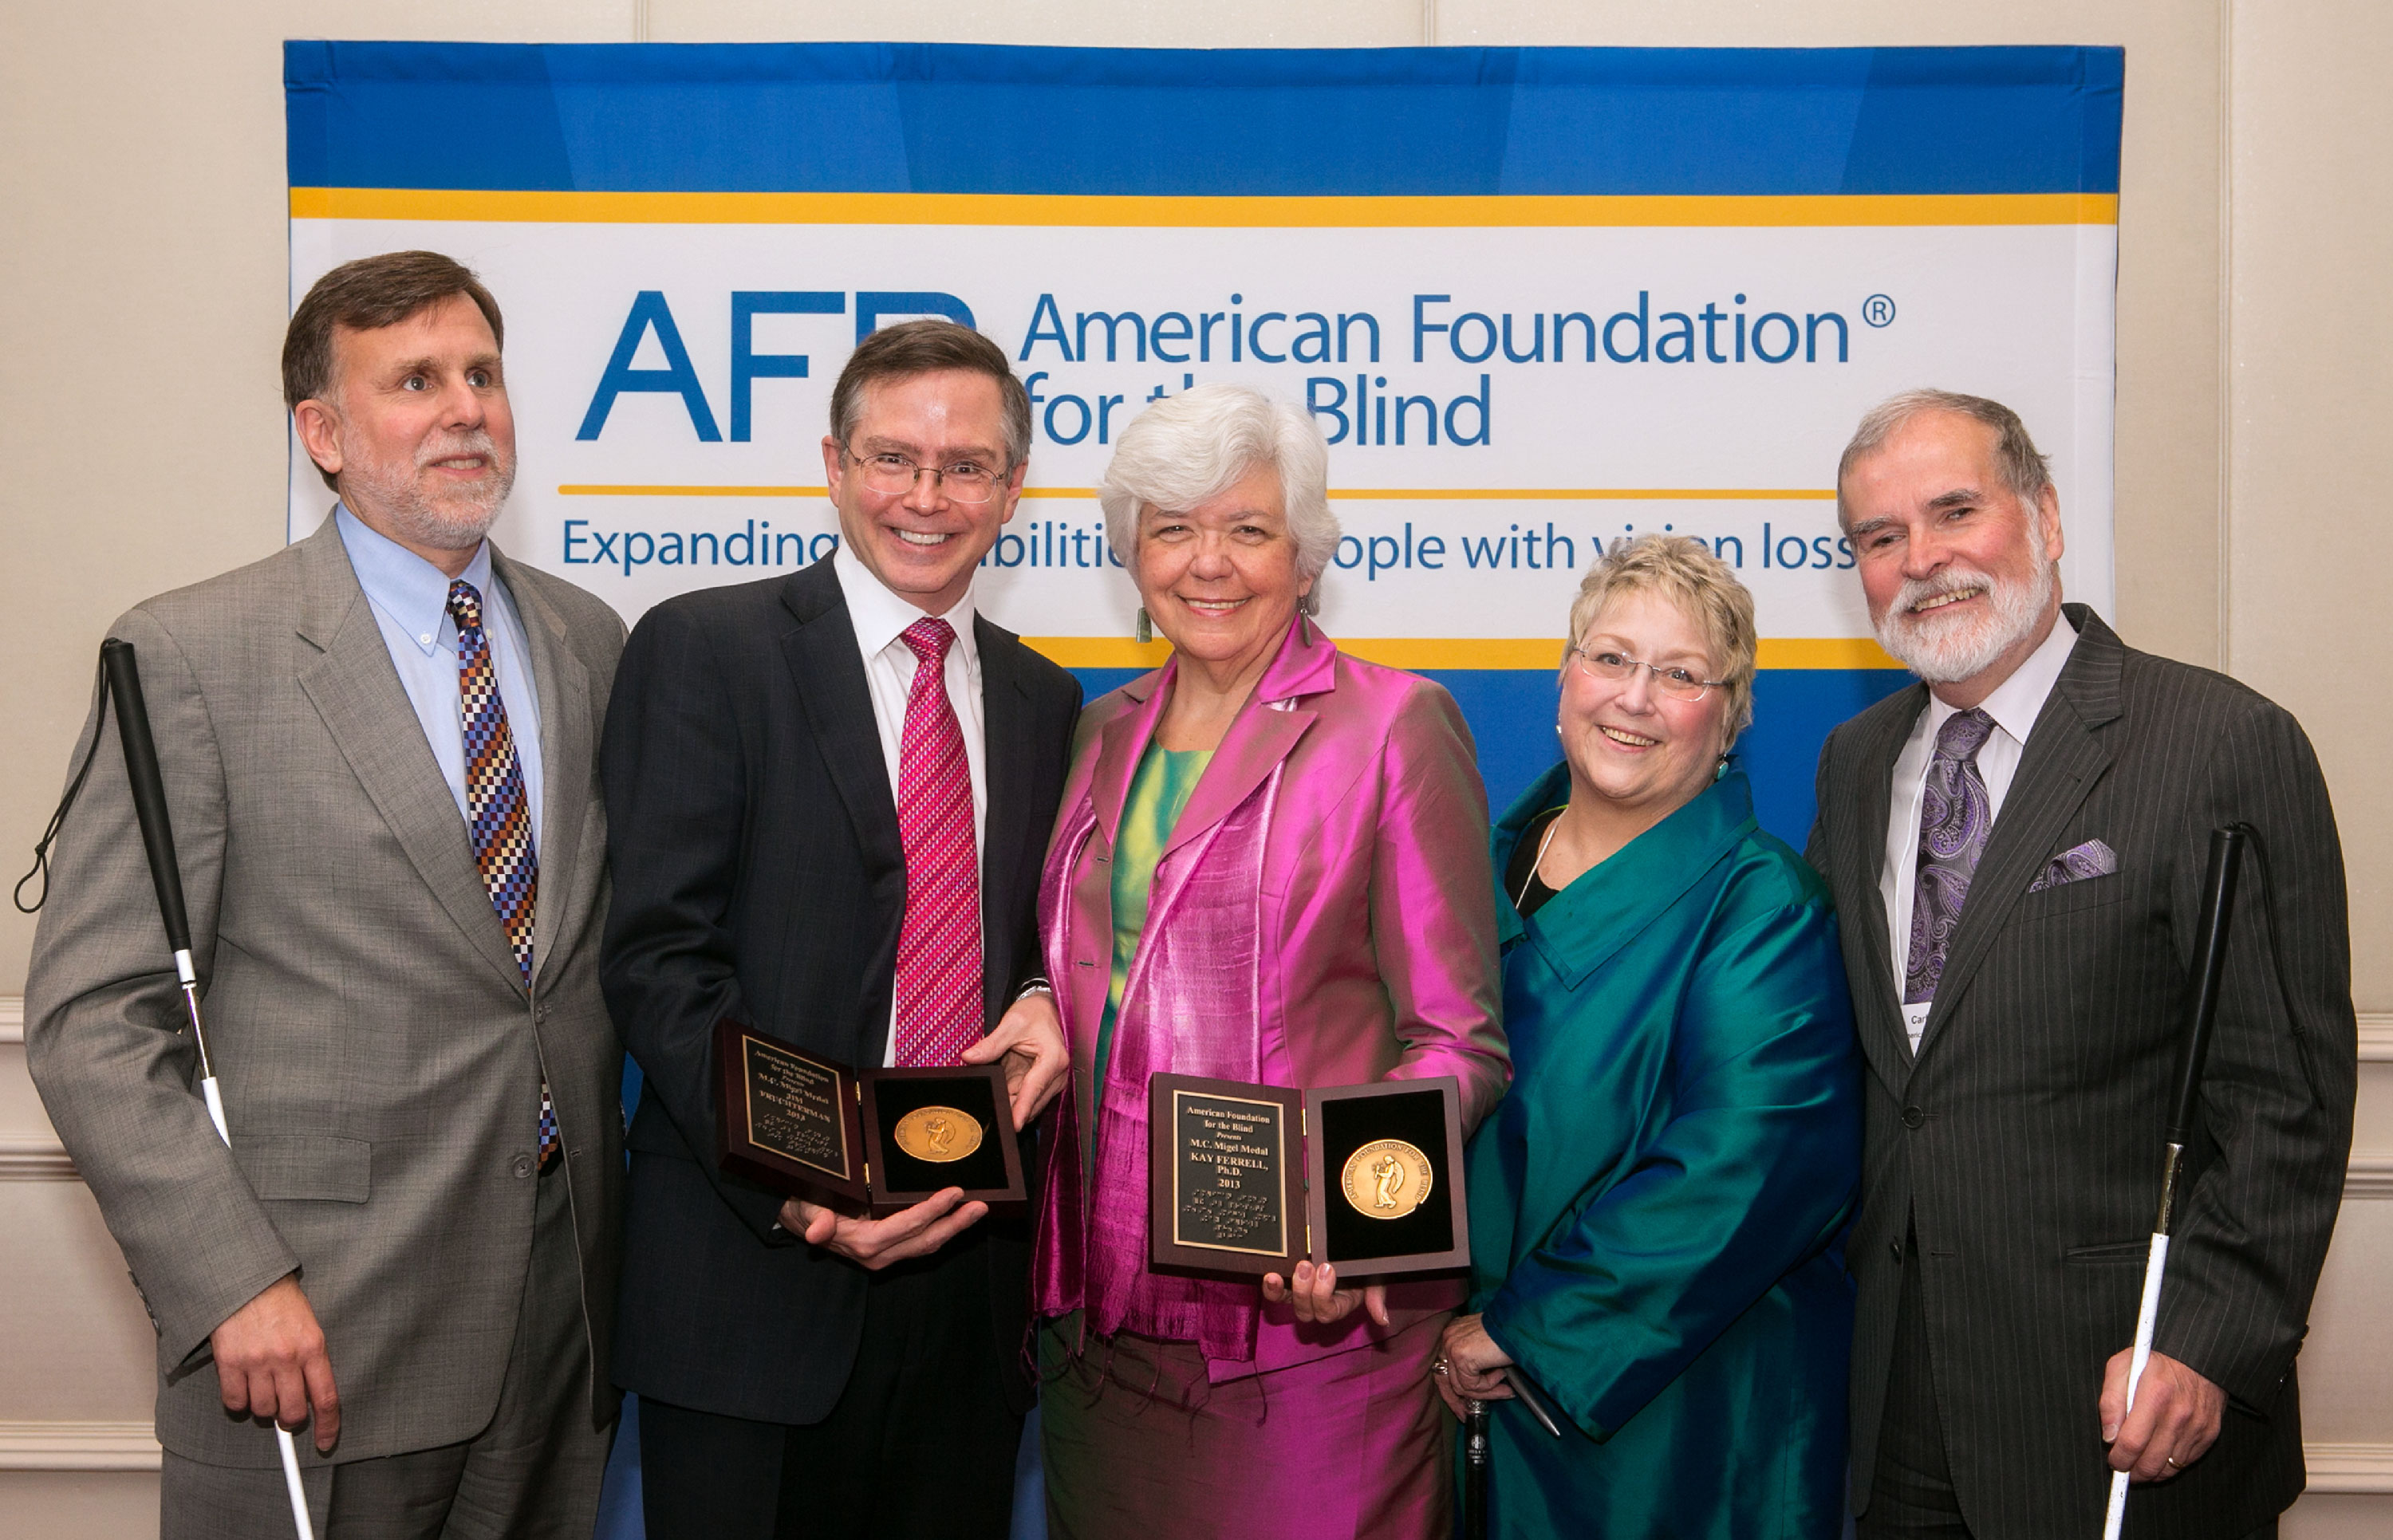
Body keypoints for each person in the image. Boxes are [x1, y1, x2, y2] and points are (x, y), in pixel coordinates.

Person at [23, 250, 627, 1536]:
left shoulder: (588, 641)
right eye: (415, 380)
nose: (466, 407)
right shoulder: (191, 653)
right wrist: (230, 1280)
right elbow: (91, 1018)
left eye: (482, 373)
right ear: (325, 433)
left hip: (562, 1318)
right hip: (312, 1329)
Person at [1808, 390, 2357, 1538]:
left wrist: (2207, 1338)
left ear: (2047, 517)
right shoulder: (1855, 768)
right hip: (1901, 1396)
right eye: (1881, 536)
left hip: (2127, 1397)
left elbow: (2287, 1101)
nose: (1925, 558)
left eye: (1956, 510)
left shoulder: (2218, 743)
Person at [599, 319, 1082, 1540]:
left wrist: (1041, 989)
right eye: (893, 457)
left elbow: (1033, 933)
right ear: (831, 462)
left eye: (967, 465)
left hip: (970, 1292)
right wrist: (813, 1183)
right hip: (753, 1276)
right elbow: (660, 958)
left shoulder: (1043, 698)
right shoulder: (707, 649)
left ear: (1013, 488)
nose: (927, 497)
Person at [1027, 384, 1511, 1540]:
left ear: (1305, 557)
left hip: (1313, 1331)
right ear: (1130, 552)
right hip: (1101, 1332)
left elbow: (1457, 1037)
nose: (1210, 563)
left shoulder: (1395, 723)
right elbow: (1096, 965)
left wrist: (1353, 1228)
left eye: (1248, 529)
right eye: (1173, 527)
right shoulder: (1102, 730)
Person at [1434, 534, 1860, 1537]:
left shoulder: (1765, 907)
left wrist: (1525, 1323)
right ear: (1564, 675)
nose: (1634, 696)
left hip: (1688, 1419)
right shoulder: (1465, 871)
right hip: (1469, 1389)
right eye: (1612, 657)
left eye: (1680, 674)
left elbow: (1745, 1167)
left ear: (1731, 716)